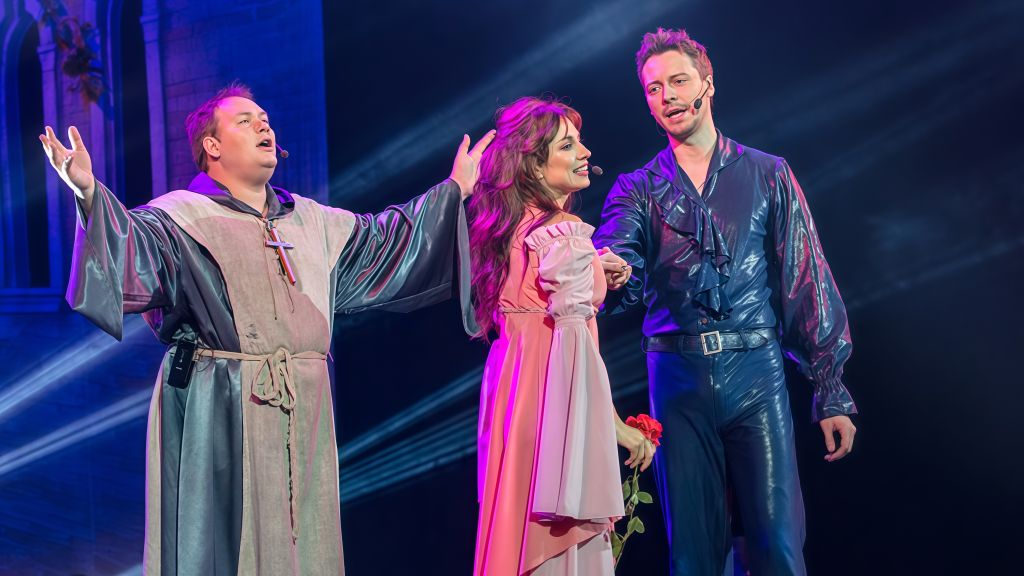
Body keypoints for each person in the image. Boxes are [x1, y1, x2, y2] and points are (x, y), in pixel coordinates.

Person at [38, 83, 495, 575]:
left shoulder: (312, 221)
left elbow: (388, 241)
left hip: (306, 408)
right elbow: (129, 250)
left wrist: (455, 190)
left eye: (265, 119)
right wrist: (88, 193)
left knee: (306, 544)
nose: (263, 125)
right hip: (226, 405)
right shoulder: (181, 218)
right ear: (212, 146)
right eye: (245, 120)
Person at [593, 29, 859, 575]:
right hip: (678, 377)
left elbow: (806, 279)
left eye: (677, 81)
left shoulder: (767, 173)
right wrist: (611, 268)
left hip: (755, 371)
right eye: (653, 88)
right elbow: (616, 249)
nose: (666, 96)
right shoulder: (637, 187)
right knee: (693, 554)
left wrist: (830, 390)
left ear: (707, 84)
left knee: (777, 544)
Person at [467, 96, 654, 576]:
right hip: (551, 407)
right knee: (558, 544)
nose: (585, 152)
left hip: (513, 399)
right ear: (533, 165)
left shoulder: (508, 229)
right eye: (568, 146)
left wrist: (593, 268)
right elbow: (576, 355)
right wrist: (616, 428)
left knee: (516, 526)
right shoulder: (562, 232)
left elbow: (534, 301)